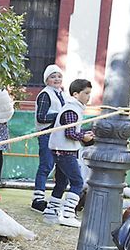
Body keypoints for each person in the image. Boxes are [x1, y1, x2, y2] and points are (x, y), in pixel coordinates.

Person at [43, 79, 94, 228]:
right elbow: (70, 133)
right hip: (65, 151)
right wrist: (83, 137)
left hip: (61, 149)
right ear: (75, 94)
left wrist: (84, 133)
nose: (88, 97)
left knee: (61, 182)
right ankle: (67, 213)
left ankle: (50, 212)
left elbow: (72, 131)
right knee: (77, 182)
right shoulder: (72, 109)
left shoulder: (74, 108)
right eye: (86, 93)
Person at [30, 65, 66, 213]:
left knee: (61, 167)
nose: (56, 79)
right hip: (47, 133)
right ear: (47, 80)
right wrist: (60, 115)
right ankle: (37, 198)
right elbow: (41, 117)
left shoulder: (61, 94)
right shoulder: (45, 94)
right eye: (53, 76)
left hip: (58, 134)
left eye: (59, 76)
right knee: (46, 165)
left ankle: (55, 199)